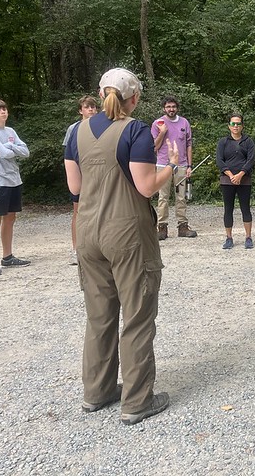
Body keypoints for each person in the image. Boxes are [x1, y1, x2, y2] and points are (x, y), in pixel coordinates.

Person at [64, 67, 175, 425]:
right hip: (126, 233)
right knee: (138, 316)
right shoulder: (137, 130)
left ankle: (96, 392)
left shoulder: (75, 132)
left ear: (100, 94)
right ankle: (137, 401)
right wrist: (170, 167)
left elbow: (75, 187)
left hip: (88, 233)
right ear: (135, 97)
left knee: (99, 316)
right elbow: (145, 187)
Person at [0, 98, 31, 276]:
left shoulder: (10, 131)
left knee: (10, 219)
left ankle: (8, 257)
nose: (3, 111)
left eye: (4, 108)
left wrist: (9, 146)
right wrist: (11, 148)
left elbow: (25, 152)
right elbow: (4, 153)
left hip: (13, 180)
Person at [151, 96, 196, 240]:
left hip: (182, 165)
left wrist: (189, 165)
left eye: (173, 107)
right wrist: (162, 132)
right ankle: (162, 227)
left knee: (181, 197)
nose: (171, 109)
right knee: (163, 197)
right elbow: (154, 146)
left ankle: (182, 226)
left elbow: (189, 144)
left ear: (177, 108)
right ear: (164, 108)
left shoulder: (184, 122)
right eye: (168, 107)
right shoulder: (158, 123)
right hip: (163, 165)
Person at [63, 95, 98, 265]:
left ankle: (96, 247)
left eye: (93, 107)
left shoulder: (100, 126)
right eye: (87, 107)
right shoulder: (73, 128)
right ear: (80, 110)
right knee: (78, 211)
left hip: (97, 174)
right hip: (79, 175)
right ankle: (76, 249)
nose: (91, 109)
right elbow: (68, 154)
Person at [216, 112, 255, 249]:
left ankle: (248, 237)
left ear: (242, 126)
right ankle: (229, 238)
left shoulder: (248, 141)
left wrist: (240, 175)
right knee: (228, 209)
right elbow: (220, 161)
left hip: (244, 180)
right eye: (233, 123)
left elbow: (251, 160)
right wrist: (231, 175)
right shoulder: (223, 142)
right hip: (227, 181)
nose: (236, 126)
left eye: (238, 123)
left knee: (245, 208)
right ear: (229, 126)